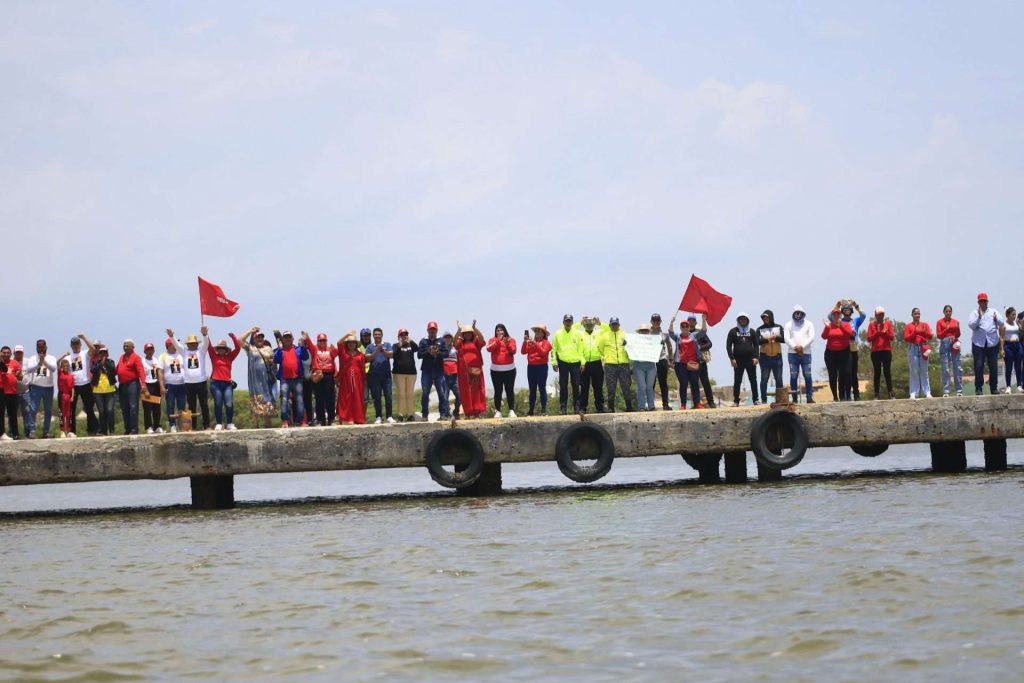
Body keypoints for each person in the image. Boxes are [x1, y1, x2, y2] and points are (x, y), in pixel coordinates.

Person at [168, 326, 211, 430]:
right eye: (190, 343)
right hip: (189, 383)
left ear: (197, 344)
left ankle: (207, 425)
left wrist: (205, 335)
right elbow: (176, 345)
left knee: (204, 404)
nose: (192, 345)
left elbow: (206, 344)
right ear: (188, 344)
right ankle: (194, 426)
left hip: (201, 382)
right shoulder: (184, 352)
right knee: (192, 406)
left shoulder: (201, 351)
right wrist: (172, 336)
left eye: (194, 343)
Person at [968, 293, 1004, 396]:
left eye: (984, 301)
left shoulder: (994, 312)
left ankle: (994, 388)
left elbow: (1001, 323)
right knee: (979, 366)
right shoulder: (974, 313)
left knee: (993, 367)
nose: (983, 303)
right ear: (978, 302)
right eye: (981, 301)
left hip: (992, 343)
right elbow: (971, 325)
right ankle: (978, 388)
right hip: (978, 344)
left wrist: (996, 319)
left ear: (987, 302)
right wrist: (979, 317)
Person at [240, 327, 276, 428]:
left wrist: (271, 361)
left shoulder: (268, 349)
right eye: (257, 337)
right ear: (254, 339)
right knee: (254, 400)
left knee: (266, 400)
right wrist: (250, 331)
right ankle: (255, 425)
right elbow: (240, 340)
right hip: (254, 381)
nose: (259, 339)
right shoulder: (250, 348)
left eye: (261, 337)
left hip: (266, 381)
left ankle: (268, 423)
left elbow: (273, 361)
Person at [274, 330, 310, 427]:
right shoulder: (280, 350)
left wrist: (302, 346)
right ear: (283, 339)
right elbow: (276, 359)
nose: (287, 339)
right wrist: (280, 349)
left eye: (289, 337)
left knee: (299, 399)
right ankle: (285, 421)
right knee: (284, 399)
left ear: (292, 338)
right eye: (285, 337)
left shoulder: (298, 349)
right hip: (285, 379)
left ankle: (301, 420)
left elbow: (306, 357)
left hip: (297, 379)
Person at [23, 339, 57, 438]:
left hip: (48, 387)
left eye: (42, 347)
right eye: (39, 347)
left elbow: (53, 368)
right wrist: (39, 363)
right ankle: (32, 431)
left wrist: (44, 361)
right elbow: (29, 370)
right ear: (37, 348)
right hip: (35, 386)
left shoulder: (51, 358)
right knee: (33, 409)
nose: (41, 349)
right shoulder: (32, 358)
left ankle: (46, 432)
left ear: (46, 347)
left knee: (48, 410)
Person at [417, 322, 451, 421]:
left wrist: (438, 352)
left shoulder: (441, 340)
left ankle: (443, 414)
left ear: (437, 330)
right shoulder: (423, 341)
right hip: (426, 370)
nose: (432, 331)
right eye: (431, 330)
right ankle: (424, 415)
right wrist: (428, 351)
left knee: (441, 393)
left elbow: (446, 354)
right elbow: (419, 355)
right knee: (425, 393)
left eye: (434, 330)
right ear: (428, 330)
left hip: (439, 370)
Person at [551, 314, 583, 415]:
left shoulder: (578, 333)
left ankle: (577, 407)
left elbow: (581, 349)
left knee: (576, 385)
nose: (568, 323)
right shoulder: (557, 334)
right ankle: (563, 408)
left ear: (572, 322)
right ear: (563, 322)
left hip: (575, 362)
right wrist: (554, 362)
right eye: (566, 321)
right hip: (563, 362)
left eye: (570, 321)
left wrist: (583, 362)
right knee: (563, 386)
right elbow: (554, 349)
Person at [207, 335, 241, 430]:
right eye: (219, 348)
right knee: (218, 403)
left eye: (223, 348)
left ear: (226, 349)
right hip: (216, 383)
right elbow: (209, 346)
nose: (221, 349)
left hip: (227, 384)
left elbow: (238, 348)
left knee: (229, 403)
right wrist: (206, 335)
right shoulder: (214, 356)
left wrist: (233, 337)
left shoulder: (230, 357)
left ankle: (230, 423)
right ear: (217, 349)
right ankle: (219, 423)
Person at [598, 317, 632, 413]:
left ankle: (629, 407)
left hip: (623, 364)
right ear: (609, 325)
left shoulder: (625, 335)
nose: (614, 326)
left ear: (619, 325)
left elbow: (631, 348)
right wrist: (604, 358)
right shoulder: (604, 336)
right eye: (612, 324)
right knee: (611, 388)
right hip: (610, 365)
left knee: (626, 386)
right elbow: (599, 348)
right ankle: (611, 408)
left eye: (616, 324)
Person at [305, 332, 338, 426]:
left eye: (324, 340)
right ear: (317, 341)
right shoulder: (315, 349)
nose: (322, 342)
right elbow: (309, 344)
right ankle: (320, 420)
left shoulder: (329, 349)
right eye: (320, 340)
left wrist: (334, 349)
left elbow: (336, 354)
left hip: (329, 375)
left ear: (326, 341)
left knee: (330, 398)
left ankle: (331, 419)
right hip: (318, 375)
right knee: (319, 399)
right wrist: (307, 336)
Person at [821, 309, 855, 402]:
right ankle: (835, 397)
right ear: (832, 316)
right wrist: (827, 327)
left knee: (844, 374)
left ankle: (842, 396)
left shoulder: (846, 324)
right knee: (833, 376)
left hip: (844, 352)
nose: (836, 316)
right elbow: (824, 336)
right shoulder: (829, 326)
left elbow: (850, 334)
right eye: (834, 315)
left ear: (840, 316)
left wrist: (841, 326)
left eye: (838, 315)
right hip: (831, 353)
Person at [726, 313, 759, 406]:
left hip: (750, 360)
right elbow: (728, 346)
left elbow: (756, 345)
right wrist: (732, 359)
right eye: (741, 319)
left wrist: (757, 357)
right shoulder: (733, 331)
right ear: (738, 320)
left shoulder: (752, 331)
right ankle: (736, 401)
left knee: (753, 380)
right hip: (738, 361)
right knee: (737, 381)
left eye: (745, 319)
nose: (743, 320)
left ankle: (756, 399)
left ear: (747, 320)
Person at [784, 305, 816, 403]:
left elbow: (811, 337)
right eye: (796, 313)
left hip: (806, 353)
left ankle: (809, 397)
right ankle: (794, 398)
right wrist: (795, 347)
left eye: (800, 313)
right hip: (792, 353)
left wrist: (802, 346)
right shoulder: (788, 324)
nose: (798, 315)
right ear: (793, 314)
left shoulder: (809, 324)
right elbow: (786, 338)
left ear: (803, 314)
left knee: (807, 375)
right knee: (793, 376)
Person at [456, 321, 487, 419]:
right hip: (463, 371)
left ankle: (477, 412)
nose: (468, 334)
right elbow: (453, 341)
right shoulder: (460, 343)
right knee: (465, 391)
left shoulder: (476, 341)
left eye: (469, 332)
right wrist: (459, 330)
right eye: (466, 333)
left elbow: (482, 339)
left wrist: (475, 328)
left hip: (476, 370)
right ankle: (468, 413)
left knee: (476, 391)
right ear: (463, 334)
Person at [115, 339, 147, 434]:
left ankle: (134, 429)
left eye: (127, 346)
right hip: (122, 385)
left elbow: (141, 371)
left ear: (133, 347)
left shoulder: (136, 357)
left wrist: (143, 384)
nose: (125, 347)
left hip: (132, 384)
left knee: (133, 407)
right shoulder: (122, 357)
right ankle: (127, 429)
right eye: (124, 346)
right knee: (124, 407)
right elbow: (118, 369)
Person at [69, 334, 98, 435]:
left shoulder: (85, 353)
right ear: (71, 346)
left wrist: (84, 337)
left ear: (80, 345)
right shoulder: (68, 357)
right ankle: (72, 431)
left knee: (89, 408)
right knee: (71, 409)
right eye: (74, 344)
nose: (76, 346)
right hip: (74, 386)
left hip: (85, 383)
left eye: (77, 344)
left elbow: (93, 348)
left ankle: (92, 430)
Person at [487, 323, 518, 418]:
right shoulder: (492, 340)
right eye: (498, 330)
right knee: (498, 391)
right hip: (496, 370)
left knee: (509, 390)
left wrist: (507, 344)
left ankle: (511, 410)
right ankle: (498, 411)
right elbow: (489, 349)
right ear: (495, 332)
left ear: (504, 331)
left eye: (501, 330)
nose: (500, 332)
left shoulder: (511, 340)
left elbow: (514, 351)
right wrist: (497, 341)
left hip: (509, 370)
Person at [336, 331, 367, 425]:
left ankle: (358, 418)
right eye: (349, 342)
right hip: (346, 379)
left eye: (353, 342)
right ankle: (347, 418)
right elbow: (338, 343)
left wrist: (363, 381)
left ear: (356, 344)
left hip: (358, 379)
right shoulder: (343, 353)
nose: (351, 344)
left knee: (357, 398)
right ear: (347, 344)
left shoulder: (360, 355)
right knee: (346, 398)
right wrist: (347, 334)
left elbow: (362, 369)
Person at [365, 328, 394, 424]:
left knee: (388, 396)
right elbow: (368, 359)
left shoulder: (387, 344)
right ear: (373, 336)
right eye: (375, 334)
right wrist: (377, 350)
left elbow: (391, 355)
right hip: (374, 375)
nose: (377, 336)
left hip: (386, 375)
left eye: (379, 334)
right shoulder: (370, 346)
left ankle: (389, 416)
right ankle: (378, 417)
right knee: (377, 397)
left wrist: (383, 350)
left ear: (382, 335)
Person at [577, 317, 606, 414]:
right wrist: (580, 323)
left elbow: (609, 329)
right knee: (584, 387)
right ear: (584, 325)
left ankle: (600, 406)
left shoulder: (598, 332)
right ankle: (582, 407)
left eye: (591, 325)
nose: (589, 326)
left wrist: (600, 323)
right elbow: (572, 330)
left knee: (598, 386)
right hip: (584, 364)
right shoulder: (580, 333)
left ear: (593, 325)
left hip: (597, 362)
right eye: (587, 325)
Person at [522, 323, 553, 416]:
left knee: (542, 388)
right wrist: (524, 342)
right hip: (531, 367)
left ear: (543, 333)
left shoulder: (546, 343)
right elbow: (523, 352)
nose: (537, 333)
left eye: (540, 331)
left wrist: (535, 343)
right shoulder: (530, 342)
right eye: (536, 331)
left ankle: (544, 410)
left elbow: (543, 352)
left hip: (542, 367)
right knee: (532, 390)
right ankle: (531, 410)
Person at [838, 301, 866, 400]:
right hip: (842, 350)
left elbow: (863, 315)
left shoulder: (855, 321)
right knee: (844, 374)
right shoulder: (839, 322)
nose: (847, 311)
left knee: (853, 373)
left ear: (851, 311)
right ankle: (845, 395)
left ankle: (856, 394)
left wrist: (856, 305)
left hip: (853, 349)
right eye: (845, 310)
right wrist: (837, 305)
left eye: (849, 310)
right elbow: (829, 317)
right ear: (842, 311)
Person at [867, 307, 896, 399]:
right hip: (875, 351)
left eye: (882, 314)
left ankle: (890, 392)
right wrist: (877, 332)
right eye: (878, 314)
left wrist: (885, 333)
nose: (880, 316)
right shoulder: (871, 325)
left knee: (887, 371)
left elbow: (892, 337)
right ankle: (876, 393)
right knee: (877, 372)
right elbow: (869, 338)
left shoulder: (888, 324)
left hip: (886, 350)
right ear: (875, 315)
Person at [904, 308, 933, 399]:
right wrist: (914, 333)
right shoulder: (909, 326)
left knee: (924, 371)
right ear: (912, 315)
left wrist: (924, 332)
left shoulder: (925, 325)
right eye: (915, 314)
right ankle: (914, 392)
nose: (917, 315)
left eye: (918, 314)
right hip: (913, 347)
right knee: (914, 371)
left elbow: (930, 336)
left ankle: (927, 392)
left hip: (923, 347)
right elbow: (906, 338)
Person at [757, 310, 785, 405]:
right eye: (763, 317)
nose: (765, 319)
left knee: (779, 378)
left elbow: (784, 339)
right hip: (764, 357)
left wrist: (775, 338)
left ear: (771, 317)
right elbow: (756, 341)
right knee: (764, 379)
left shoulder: (779, 327)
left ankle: (780, 399)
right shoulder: (760, 329)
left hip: (777, 357)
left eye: (767, 317)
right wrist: (766, 340)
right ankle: (764, 399)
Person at [160, 337, 187, 432]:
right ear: (169, 345)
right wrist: (162, 386)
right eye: (173, 343)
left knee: (182, 405)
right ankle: (172, 425)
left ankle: (182, 424)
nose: (176, 345)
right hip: (170, 385)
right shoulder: (163, 356)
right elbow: (160, 372)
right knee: (170, 405)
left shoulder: (181, 354)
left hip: (181, 384)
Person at [674, 320, 702, 409]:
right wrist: (671, 322)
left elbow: (704, 331)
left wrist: (704, 320)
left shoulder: (694, 335)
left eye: (686, 326)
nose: (685, 328)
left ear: (689, 327)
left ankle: (697, 403)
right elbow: (670, 332)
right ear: (680, 328)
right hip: (681, 364)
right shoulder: (678, 336)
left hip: (693, 362)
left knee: (694, 383)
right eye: (683, 326)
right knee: (683, 384)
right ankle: (683, 404)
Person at [935, 305, 963, 398]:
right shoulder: (940, 322)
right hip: (944, 342)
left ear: (951, 312)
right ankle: (946, 391)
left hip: (954, 342)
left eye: (950, 311)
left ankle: (959, 390)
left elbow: (958, 334)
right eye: (946, 311)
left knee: (957, 367)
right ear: (943, 312)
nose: (948, 313)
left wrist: (957, 328)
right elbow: (939, 335)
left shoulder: (955, 321)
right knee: (945, 368)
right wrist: (946, 330)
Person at [392, 329, 418, 422]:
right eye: (402, 335)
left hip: (411, 373)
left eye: (405, 334)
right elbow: (394, 354)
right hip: (399, 373)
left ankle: (410, 414)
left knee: (410, 394)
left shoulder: (411, 345)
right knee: (401, 394)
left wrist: (410, 340)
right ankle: (400, 415)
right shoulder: (395, 346)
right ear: (399, 337)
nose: (404, 336)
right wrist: (400, 344)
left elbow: (417, 348)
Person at [90, 344, 117, 436]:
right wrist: (100, 364)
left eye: (105, 352)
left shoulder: (111, 362)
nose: (103, 354)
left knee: (109, 410)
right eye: (101, 353)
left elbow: (113, 369)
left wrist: (105, 363)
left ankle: (112, 429)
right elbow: (92, 370)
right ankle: (103, 431)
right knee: (101, 411)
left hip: (110, 390)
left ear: (107, 354)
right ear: (99, 354)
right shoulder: (96, 363)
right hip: (98, 391)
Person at [650, 313, 674, 410]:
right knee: (651, 383)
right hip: (651, 360)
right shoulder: (647, 334)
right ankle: (651, 405)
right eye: (654, 320)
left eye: (657, 320)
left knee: (663, 383)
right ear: (651, 322)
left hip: (662, 360)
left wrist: (671, 358)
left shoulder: (664, 335)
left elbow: (669, 346)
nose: (656, 322)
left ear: (660, 322)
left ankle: (665, 404)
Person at [632, 323, 658, 411]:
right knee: (642, 386)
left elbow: (658, 349)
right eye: (642, 331)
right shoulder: (634, 341)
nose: (644, 332)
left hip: (651, 365)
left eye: (646, 331)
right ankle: (641, 406)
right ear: (639, 332)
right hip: (638, 365)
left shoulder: (653, 340)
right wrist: (626, 344)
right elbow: (629, 348)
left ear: (648, 332)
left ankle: (651, 406)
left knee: (650, 387)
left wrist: (660, 343)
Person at [141, 342, 164, 433]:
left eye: (151, 349)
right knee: (147, 408)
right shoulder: (142, 361)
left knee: (157, 407)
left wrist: (161, 386)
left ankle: (157, 426)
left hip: (155, 384)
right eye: (148, 349)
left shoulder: (156, 360)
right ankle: (148, 426)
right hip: (147, 384)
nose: (150, 351)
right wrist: (144, 388)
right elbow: (141, 375)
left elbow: (159, 372)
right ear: (145, 351)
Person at [0, 346, 20, 440]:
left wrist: (19, 375)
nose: (6, 354)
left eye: (8, 353)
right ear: (1, 353)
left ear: (11, 354)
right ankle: (2, 433)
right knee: (1, 414)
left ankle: (15, 434)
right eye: (4, 352)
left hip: (12, 392)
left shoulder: (15, 363)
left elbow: (20, 377)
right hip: (2, 391)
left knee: (13, 414)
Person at [1000, 307, 1022, 394]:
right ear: (1008, 315)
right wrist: (1002, 349)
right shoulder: (1004, 325)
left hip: (1017, 345)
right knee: (1008, 367)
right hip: (1008, 345)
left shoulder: (1016, 323)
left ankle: (1019, 385)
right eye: (1012, 314)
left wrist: (1020, 326)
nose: (1014, 316)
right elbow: (1001, 337)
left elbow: (1021, 333)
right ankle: (1008, 386)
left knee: (1018, 366)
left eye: (1015, 314)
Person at [442, 332, 462, 419]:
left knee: (459, 396)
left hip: (455, 376)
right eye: (446, 338)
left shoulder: (455, 349)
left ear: (452, 339)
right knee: (444, 397)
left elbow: (460, 361)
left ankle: (456, 412)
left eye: (449, 337)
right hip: (444, 376)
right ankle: (447, 414)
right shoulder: (440, 349)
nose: (447, 339)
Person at [56, 356, 75, 438]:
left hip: (69, 395)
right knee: (61, 414)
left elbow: (73, 387)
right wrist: (64, 355)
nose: (65, 367)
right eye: (64, 366)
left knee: (69, 414)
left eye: (67, 366)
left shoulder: (71, 376)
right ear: (62, 367)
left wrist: (72, 396)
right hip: (61, 394)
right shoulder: (60, 373)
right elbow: (57, 362)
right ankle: (62, 431)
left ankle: (69, 431)